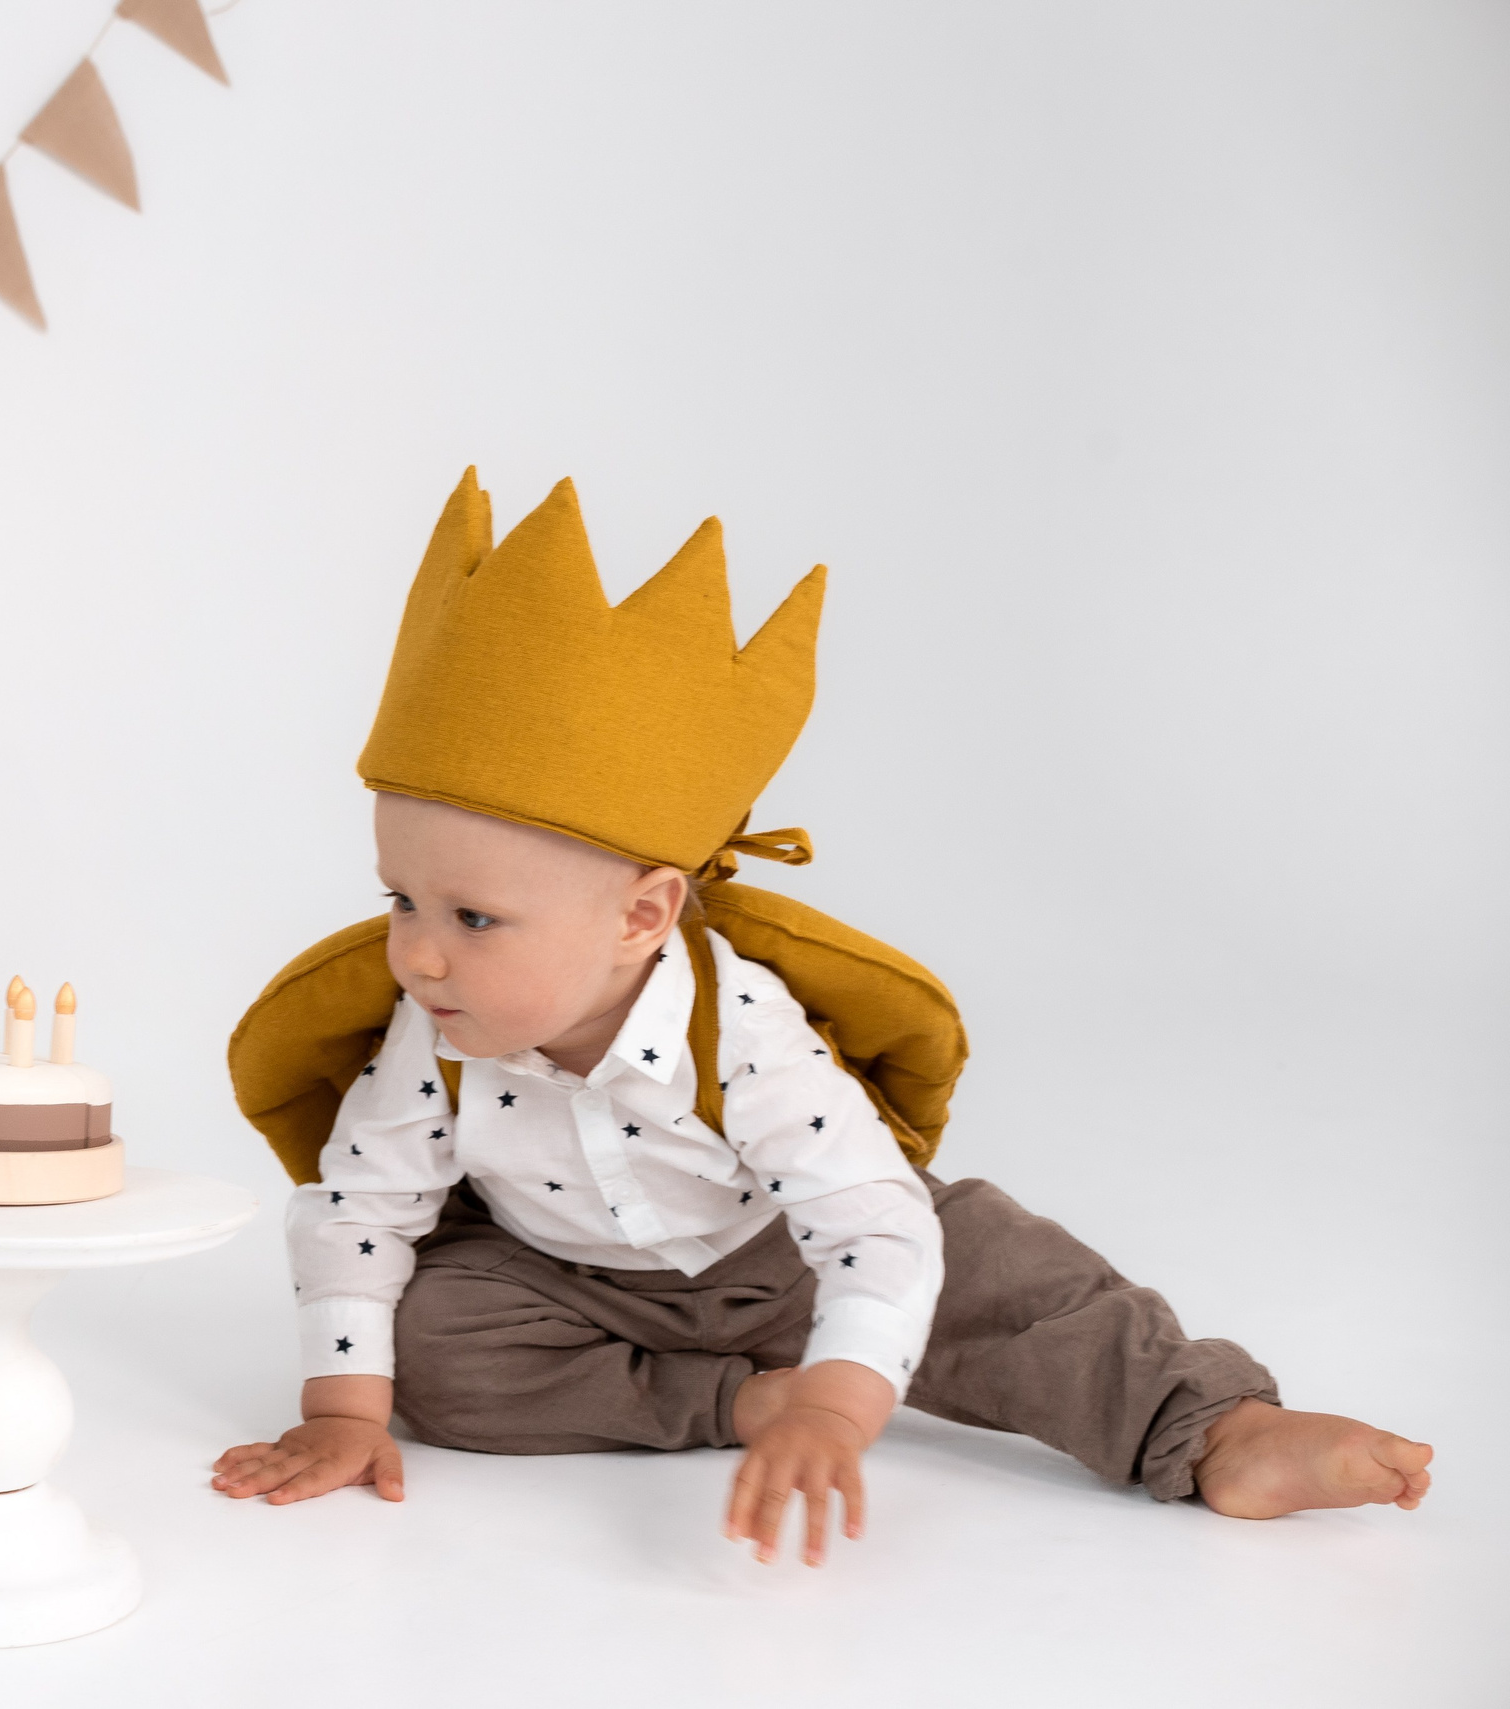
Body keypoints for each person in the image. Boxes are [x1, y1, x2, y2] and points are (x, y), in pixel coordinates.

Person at [211, 472, 1432, 1564]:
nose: (415, 950)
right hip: (567, 1276)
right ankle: (734, 1399)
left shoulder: (738, 1023)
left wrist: (845, 1402)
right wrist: (342, 1412)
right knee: (439, 1338)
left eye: (473, 917)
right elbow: (361, 1211)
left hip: (782, 1254)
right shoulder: (430, 1033)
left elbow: (864, 1223)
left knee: (1005, 1275)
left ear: (645, 914)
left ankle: (1217, 1428)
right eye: (400, 897)